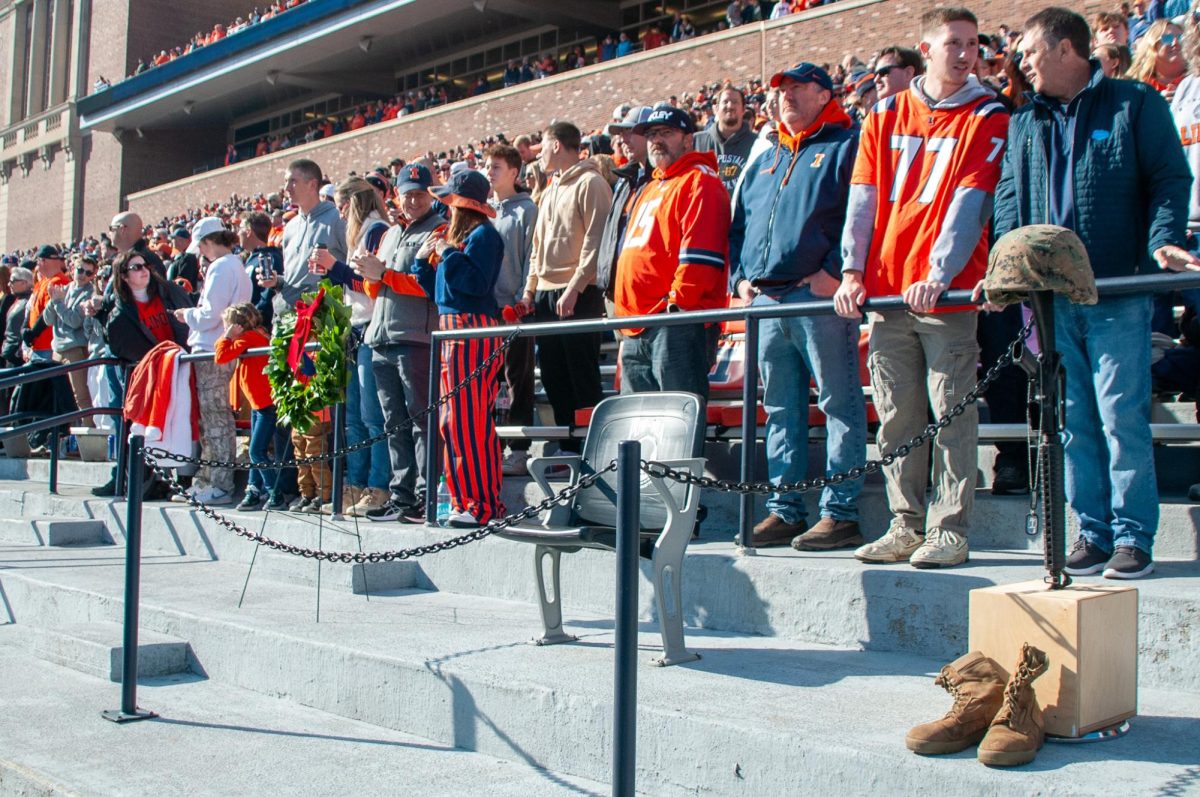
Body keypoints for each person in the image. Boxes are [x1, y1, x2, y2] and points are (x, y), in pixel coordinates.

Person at [994, 6, 1197, 579]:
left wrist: (1162, 240)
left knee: (1119, 417)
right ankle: (1094, 532)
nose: (1022, 63)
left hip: (1117, 292)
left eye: (1030, 52)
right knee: (1073, 417)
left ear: (1065, 50)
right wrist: (1008, 271)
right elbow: (1009, 200)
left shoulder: (1136, 104)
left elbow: (1169, 178)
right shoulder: (1023, 122)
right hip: (1052, 301)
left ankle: (1135, 538)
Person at [834, 7, 1010, 569]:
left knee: (952, 412)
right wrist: (852, 271)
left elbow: (970, 203)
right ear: (925, 48)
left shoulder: (987, 112)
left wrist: (939, 271)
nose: (964, 53)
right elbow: (862, 200)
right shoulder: (884, 114)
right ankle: (904, 524)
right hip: (887, 295)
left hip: (946, 293)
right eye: (953, 42)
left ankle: (950, 529)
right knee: (897, 418)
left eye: (973, 43)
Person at [729, 62, 868, 551]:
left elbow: (861, 211)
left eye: (796, 88)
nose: (785, 96)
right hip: (767, 299)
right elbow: (739, 227)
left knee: (838, 402)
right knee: (781, 408)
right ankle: (785, 509)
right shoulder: (766, 157)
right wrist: (741, 279)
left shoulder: (845, 145)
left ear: (823, 93)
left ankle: (840, 512)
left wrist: (834, 271)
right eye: (781, 89)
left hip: (817, 296)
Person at [614, 105, 729, 401]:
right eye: (651, 134)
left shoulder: (700, 181)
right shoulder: (651, 186)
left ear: (688, 140)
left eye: (666, 132)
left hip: (675, 323)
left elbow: (702, 255)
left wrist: (676, 307)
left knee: (676, 419)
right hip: (635, 323)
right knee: (638, 423)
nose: (656, 140)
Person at [412, 171, 505, 527]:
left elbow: (475, 284)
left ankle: (479, 504)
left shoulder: (484, 235)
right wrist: (423, 263)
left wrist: (448, 253)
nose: (444, 207)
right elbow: (441, 292)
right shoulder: (464, 235)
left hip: (472, 330)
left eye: (449, 201)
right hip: (453, 329)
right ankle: (464, 499)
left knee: (465, 421)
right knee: (453, 423)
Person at [353, 164, 444, 523]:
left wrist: (384, 274)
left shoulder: (439, 228)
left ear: (431, 195)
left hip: (416, 337)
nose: (413, 199)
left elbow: (428, 284)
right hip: (382, 335)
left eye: (420, 193)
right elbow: (378, 289)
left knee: (420, 418)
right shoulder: (393, 233)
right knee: (393, 423)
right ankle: (402, 495)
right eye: (407, 193)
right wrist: (370, 274)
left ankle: (424, 495)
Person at [520, 122, 613, 453]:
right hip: (546, 292)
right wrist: (530, 290)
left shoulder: (592, 183)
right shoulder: (549, 189)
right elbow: (538, 246)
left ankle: (594, 452)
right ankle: (568, 449)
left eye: (542, 146)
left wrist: (575, 286)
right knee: (555, 378)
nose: (539, 154)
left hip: (579, 292)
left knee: (581, 378)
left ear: (556, 145)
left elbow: (596, 239)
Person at [311, 177, 393, 516]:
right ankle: (354, 484)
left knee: (373, 416)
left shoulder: (377, 230)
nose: (341, 215)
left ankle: (378, 485)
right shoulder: (360, 234)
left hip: (372, 325)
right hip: (355, 325)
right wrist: (329, 273)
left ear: (354, 203)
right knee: (354, 418)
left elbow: (370, 283)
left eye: (342, 207)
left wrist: (336, 267)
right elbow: (351, 285)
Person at [91, 251, 193, 498]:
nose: (143, 270)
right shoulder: (119, 311)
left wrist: (180, 352)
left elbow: (188, 320)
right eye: (135, 267)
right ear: (123, 276)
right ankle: (142, 479)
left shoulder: (167, 291)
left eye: (145, 265)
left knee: (182, 423)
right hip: (148, 376)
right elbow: (121, 342)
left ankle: (183, 480)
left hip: (180, 366)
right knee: (144, 428)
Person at [171, 217, 252, 506]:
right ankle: (209, 479)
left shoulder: (222, 267)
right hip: (217, 348)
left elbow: (209, 315)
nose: (201, 253)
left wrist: (186, 315)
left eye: (202, 246)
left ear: (208, 242)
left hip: (211, 349)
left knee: (215, 417)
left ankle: (219, 483)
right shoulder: (235, 266)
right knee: (212, 417)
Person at [484, 144, 539, 477]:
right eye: (488, 166)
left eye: (496, 167)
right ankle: (491, 445)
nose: (490, 172)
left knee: (517, 380)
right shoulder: (484, 211)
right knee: (489, 383)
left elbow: (532, 255)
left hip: (515, 310)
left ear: (515, 173)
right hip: (485, 314)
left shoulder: (527, 210)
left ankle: (518, 450)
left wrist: (522, 299)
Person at [214, 303, 282, 511]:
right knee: (256, 449)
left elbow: (221, 357)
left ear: (237, 326)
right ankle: (253, 490)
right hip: (257, 403)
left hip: (264, 405)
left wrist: (227, 336)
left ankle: (274, 492)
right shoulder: (253, 337)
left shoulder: (248, 338)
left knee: (256, 451)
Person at [41, 254, 98, 426]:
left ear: (93, 276)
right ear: (73, 268)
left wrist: (58, 303)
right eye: (80, 270)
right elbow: (47, 320)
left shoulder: (90, 294)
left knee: (80, 396)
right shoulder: (64, 289)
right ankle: (64, 437)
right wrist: (53, 302)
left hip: (76, 350)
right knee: (59, 398)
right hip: (57, 349)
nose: (82, 275)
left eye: (88, 273)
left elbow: (74, 321)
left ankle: (87, 438)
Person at [694, 86, 757, 194]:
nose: (730, 106)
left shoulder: (757, 144)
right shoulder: (696, 141)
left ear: (743, 109)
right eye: (725, 101)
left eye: (735, 102)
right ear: (716, 108)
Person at [25, 246, 72, 363]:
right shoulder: (43, 282)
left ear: (44, 261)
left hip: (47, 346)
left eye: (38, 261)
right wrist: (25, 328)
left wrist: (33, 333)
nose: (36, 265)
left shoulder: (59, 281)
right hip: (37, 346)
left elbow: (48, 312)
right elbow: (32, 309)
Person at [1129, 19, 1186, 98]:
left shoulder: (1195, 79)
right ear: (1153, 46)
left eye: (1180, 38)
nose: (1175, 43)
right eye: (1168, 38)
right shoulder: (1138, 84)